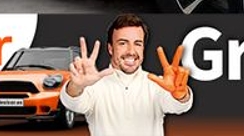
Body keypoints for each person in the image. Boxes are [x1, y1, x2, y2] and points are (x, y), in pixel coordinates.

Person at [60, 13, 192, 136]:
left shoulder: (157, 84)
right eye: (123, 43)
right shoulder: (94, 86)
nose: (131, 51)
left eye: (137, 44)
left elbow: (178, 107)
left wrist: (181, 96)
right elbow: (73, 103)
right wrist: (76, 86)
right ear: (110, 48)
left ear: (143, 48)